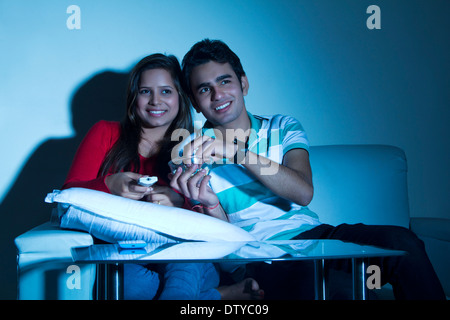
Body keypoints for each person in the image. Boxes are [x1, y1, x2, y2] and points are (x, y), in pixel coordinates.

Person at [170, 39, 446, 299]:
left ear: (243, 83)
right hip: (260, 256)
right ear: (194, 101)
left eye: (225, 81)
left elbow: (302, 192)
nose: (218, 94)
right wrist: (209, 205)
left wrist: (238, 152)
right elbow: (224, 239)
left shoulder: (282, 126)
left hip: (313, 237)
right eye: (204, 89)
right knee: (337, 286)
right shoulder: (190, 152)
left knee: (403, 242)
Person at [62, 53, 263, 300]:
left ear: (181, 98)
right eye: (146, 91)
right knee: (132, 285)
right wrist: (109, 184)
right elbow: (69, 194)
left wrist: (179, 202)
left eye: (166, 91)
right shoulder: (105, 132)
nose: (156, 101)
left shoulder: (195, 145)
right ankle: (218, 296)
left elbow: (207, 218)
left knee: (185, 266)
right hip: (127, 256)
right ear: (134, 97)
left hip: (186, 255)